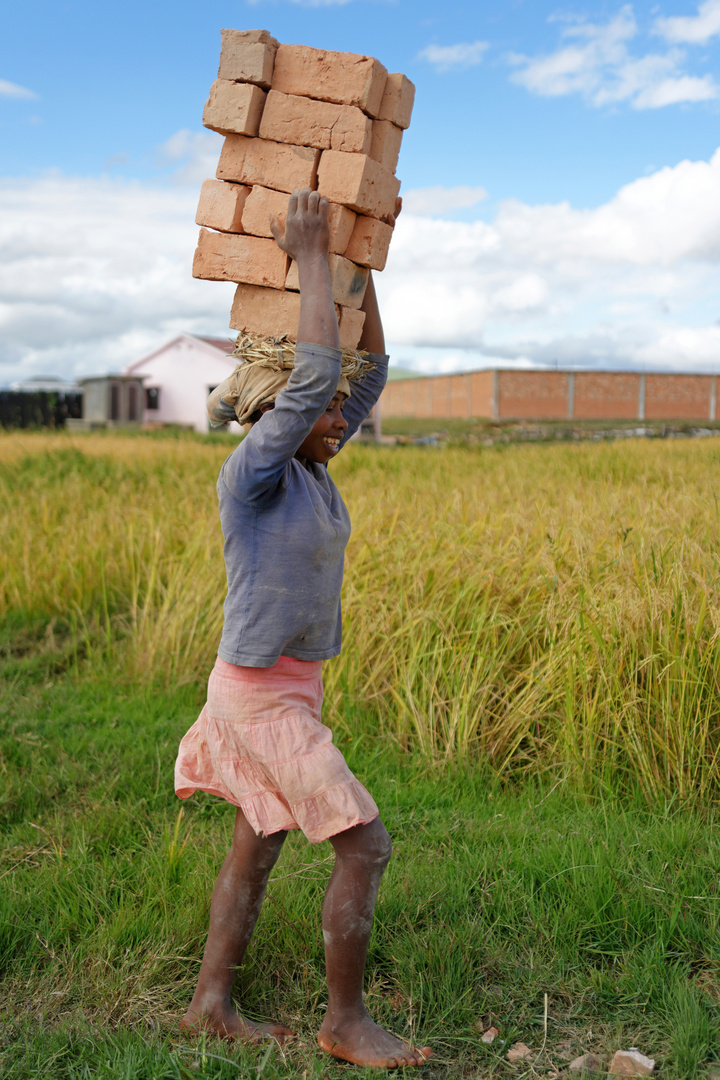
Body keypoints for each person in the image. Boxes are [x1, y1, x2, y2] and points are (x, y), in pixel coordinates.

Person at [174, 188, 431, 1069]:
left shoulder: (317, 465)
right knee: (366, 845)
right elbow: (319, 377)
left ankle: (210, 1005)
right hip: (256, 698)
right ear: (280, 419)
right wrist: (310, 255)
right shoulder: (255, 477)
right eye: (321, 411)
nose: (340, 420)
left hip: (290, 687)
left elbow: (367, 375)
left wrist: (361, 268)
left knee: (260, 846)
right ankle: (344, 1023)